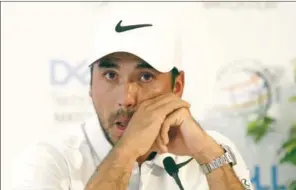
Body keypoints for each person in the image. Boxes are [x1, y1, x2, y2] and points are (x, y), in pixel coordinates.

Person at [11, 5, 254, 190]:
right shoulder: (50, 160)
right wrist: (127, 152)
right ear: (90, 83)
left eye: (146, 77)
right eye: (110, 75)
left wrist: (207, 154)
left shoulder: (214, 149)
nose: (126, 99)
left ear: (177, 86)